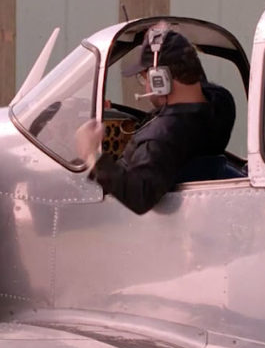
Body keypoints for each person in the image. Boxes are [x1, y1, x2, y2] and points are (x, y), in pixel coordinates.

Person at [76, 28, 236, 215]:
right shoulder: (221, 103)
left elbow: (140, 197)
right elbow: (198, 90)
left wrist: (91, 156)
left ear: (160, 79)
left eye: (145, 77)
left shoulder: (162, 138)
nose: (145, 86)